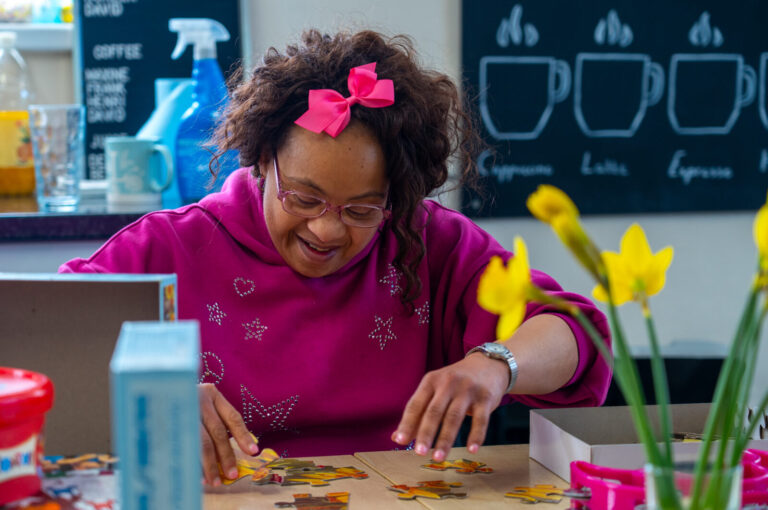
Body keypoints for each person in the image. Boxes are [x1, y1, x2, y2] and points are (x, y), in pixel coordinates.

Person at [60, 29, 611, 486]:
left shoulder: (427, 243)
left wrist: (497, 363)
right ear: (260, 160)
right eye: (303, 197)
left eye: (362, 209)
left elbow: (577, 333)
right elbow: (43, 338)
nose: (326, 229)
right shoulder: (169, 246)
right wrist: (154, 390)